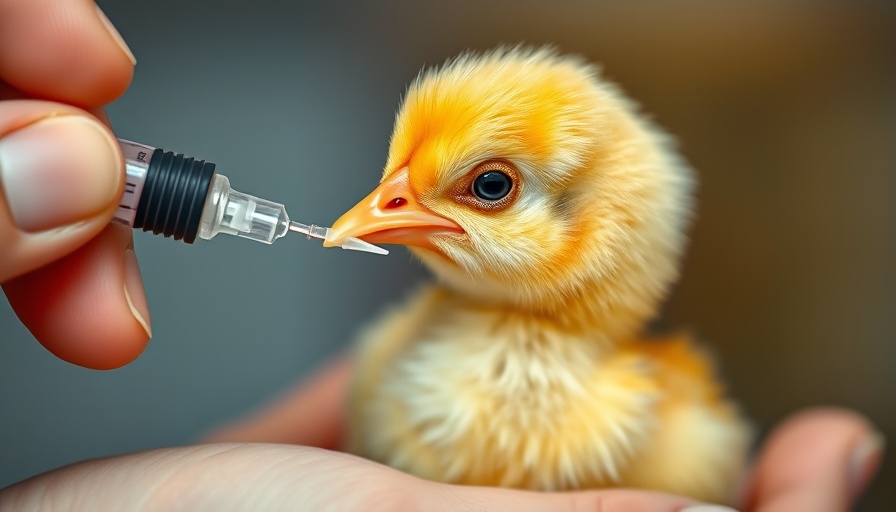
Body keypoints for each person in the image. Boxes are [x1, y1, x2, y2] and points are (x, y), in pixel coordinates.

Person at [0, 1, 882, 510]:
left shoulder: (676, 431)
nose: (380, 208)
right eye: (399, 180)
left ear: (600, 226)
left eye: (488, 186)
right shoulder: (388, 375)